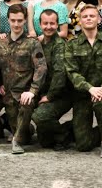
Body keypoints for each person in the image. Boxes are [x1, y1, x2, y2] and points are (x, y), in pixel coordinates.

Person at [64, 5, 102, 157]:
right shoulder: (71, 45)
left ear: (99, 19)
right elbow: (72, 72)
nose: (88, 18)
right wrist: (90, 88)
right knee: (83, 145)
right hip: (82, 94)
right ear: (80, 22)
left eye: (92, 16)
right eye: (85, 17)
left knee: (100, 104)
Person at [0, 4, 45, 154]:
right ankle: (25, 130)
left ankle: (16, 141)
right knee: (25, 134)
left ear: (25, 21)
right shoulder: (0, 43)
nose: (16, 24)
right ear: (8, 20)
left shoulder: (32, 43)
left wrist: (33, 91)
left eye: (20, 20)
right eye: (13, 20)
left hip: (25, 94)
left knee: (19, 136)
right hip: (9, 96)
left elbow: (41, 67)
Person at [30, 9, 72, 150]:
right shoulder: (39, 43)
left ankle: (65, 132)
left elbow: (60, 75)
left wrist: (49, 96)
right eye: (45, 23)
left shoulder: (59, 45)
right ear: (40, 25)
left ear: (57, 24)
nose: (49, 27)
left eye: (52, 23)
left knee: (40, 116)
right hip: (44, 92)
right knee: (45, 142)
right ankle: (60, 131)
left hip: (60, 95)